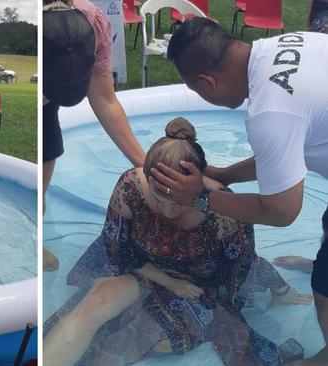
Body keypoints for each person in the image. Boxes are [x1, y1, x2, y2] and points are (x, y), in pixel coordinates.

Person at [43, 118, 313, 366]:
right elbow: (118, 252)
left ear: (196, 187)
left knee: (157, 341)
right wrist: (170, 281)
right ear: (148, 179)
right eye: (157, 199)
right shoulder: (130, 187)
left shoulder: (223, 211)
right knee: (94, 304)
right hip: (142, 266)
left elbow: (243, 264)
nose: (166, 210)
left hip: (196, 284)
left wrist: (281, 290)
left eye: (177, 202)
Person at [148, 18, 328, 365]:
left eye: (199, 92)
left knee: (324, 290)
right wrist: (222, 174)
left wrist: (198, 197)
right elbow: (283, 153)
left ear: (207, 82)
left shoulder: (269, 111)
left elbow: (282, 211)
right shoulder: (284, 46)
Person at [42, 0, 146, 271]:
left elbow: (105, 100)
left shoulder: (95, 23)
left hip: (46, 93)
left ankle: (36, 224)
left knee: (47, 153)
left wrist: (144, 164)